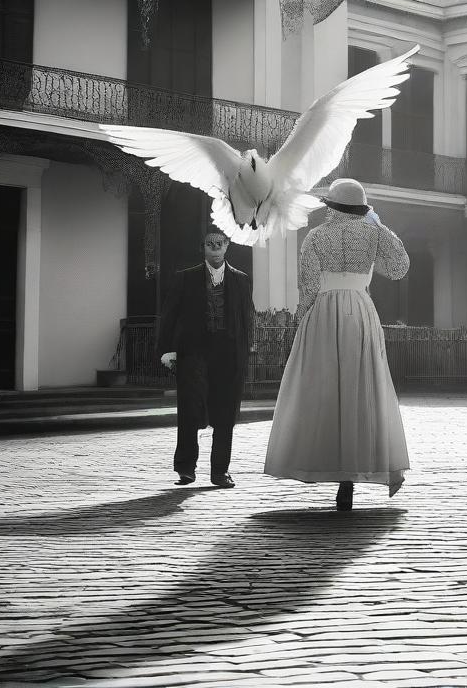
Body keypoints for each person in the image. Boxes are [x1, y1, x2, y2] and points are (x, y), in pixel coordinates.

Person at [264, 178, 411, 510]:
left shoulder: (316, 237)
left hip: (325, 313)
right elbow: (399, 268)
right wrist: (379, 224)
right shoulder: (373, 234)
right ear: (361, 208)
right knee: (363, 387)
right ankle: (353, 472)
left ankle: (329, 463)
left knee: (324, 387)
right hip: (360, 310)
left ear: (331, 206)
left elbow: (309, 287)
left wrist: (301, 320)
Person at [158, 226, 254, 489]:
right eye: (209, 244)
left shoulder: (241, 279)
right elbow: (169, 316)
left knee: (225, 412)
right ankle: (186, 468)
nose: (214, 249)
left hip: (228, 352)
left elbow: (247, 319)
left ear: (226, 247)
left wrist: (246, 351)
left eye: (219, 244)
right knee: (190, 407)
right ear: (203, 248)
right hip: (194, 351)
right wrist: (167, 349)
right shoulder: (185, 278)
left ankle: (220, 471)